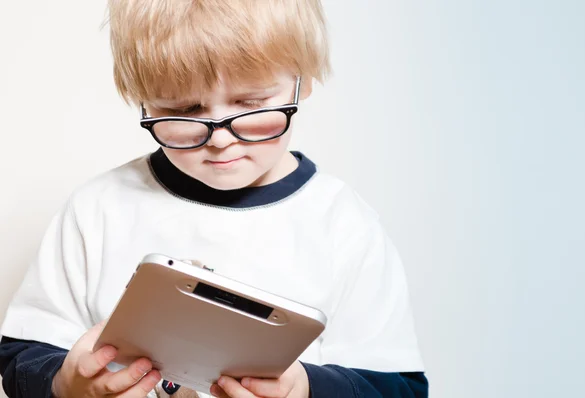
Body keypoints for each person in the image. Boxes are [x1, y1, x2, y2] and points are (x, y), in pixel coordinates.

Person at [0, 0, 428, 397]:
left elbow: (401, 387)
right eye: (185, 111)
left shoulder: (343, 224)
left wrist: (306, 389)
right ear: (144, 102)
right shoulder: (96, 211)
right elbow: (20, 356)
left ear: (304, 82)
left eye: (251, 102)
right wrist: (65, 384)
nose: (221, 139)